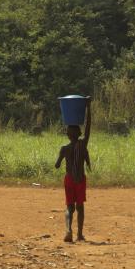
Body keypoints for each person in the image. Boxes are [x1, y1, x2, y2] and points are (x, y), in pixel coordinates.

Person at [55, 98, 92, 243]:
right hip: (80, 179)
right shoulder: (82, 145)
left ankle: (68, 230)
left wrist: (61, 159)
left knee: (69, 207)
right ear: (79, 134)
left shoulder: (64, 149)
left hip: (69, 179)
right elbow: (88, 126)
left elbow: (57, 165)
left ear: (67, 135)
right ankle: (79, 234)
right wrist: (88, 107)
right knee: (80, 207)